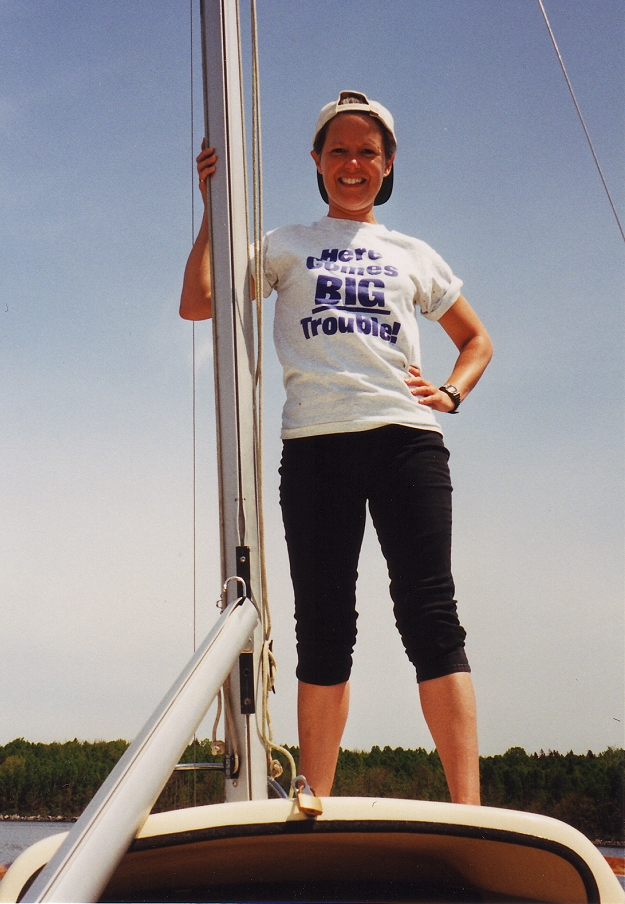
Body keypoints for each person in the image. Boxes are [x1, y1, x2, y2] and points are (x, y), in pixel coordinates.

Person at [180, 90, 493, 805]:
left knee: (431, 618)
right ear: (318, 162)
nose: (354, 164)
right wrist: (212, 212)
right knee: (323, 626)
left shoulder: (414, 254)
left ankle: (469, 808)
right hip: (317, 447)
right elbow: (200, 303)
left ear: (388, 165)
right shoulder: (285, 244)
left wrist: (451, 392)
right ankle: (313, 797)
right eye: (340, 151)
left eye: (368, 152)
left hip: (407, 442)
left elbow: (477, 339)